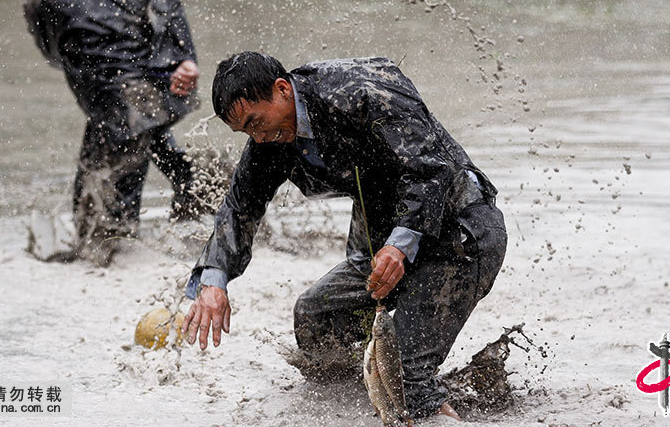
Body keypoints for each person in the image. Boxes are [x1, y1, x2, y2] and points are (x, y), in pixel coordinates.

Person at [182, 52, 507, 419]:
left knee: (402, 382)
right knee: (315, 321)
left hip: (459, 234)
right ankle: (362, 401)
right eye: (246, 132)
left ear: (282, 89)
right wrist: (214, 280)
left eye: (256, 122)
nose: (257, 137)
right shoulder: (268, 141)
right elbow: (240, 207)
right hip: (381, 242)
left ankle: (422, 396)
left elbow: (431, 168)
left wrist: (399, 247)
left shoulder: (360, 90)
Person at [23, 0, 200, 266]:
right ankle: (199, 195)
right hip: (161, 85)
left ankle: (129, 258)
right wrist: (182, 56)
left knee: (101, 235)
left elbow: (55, 57)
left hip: (112, 111)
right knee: (145, 134)